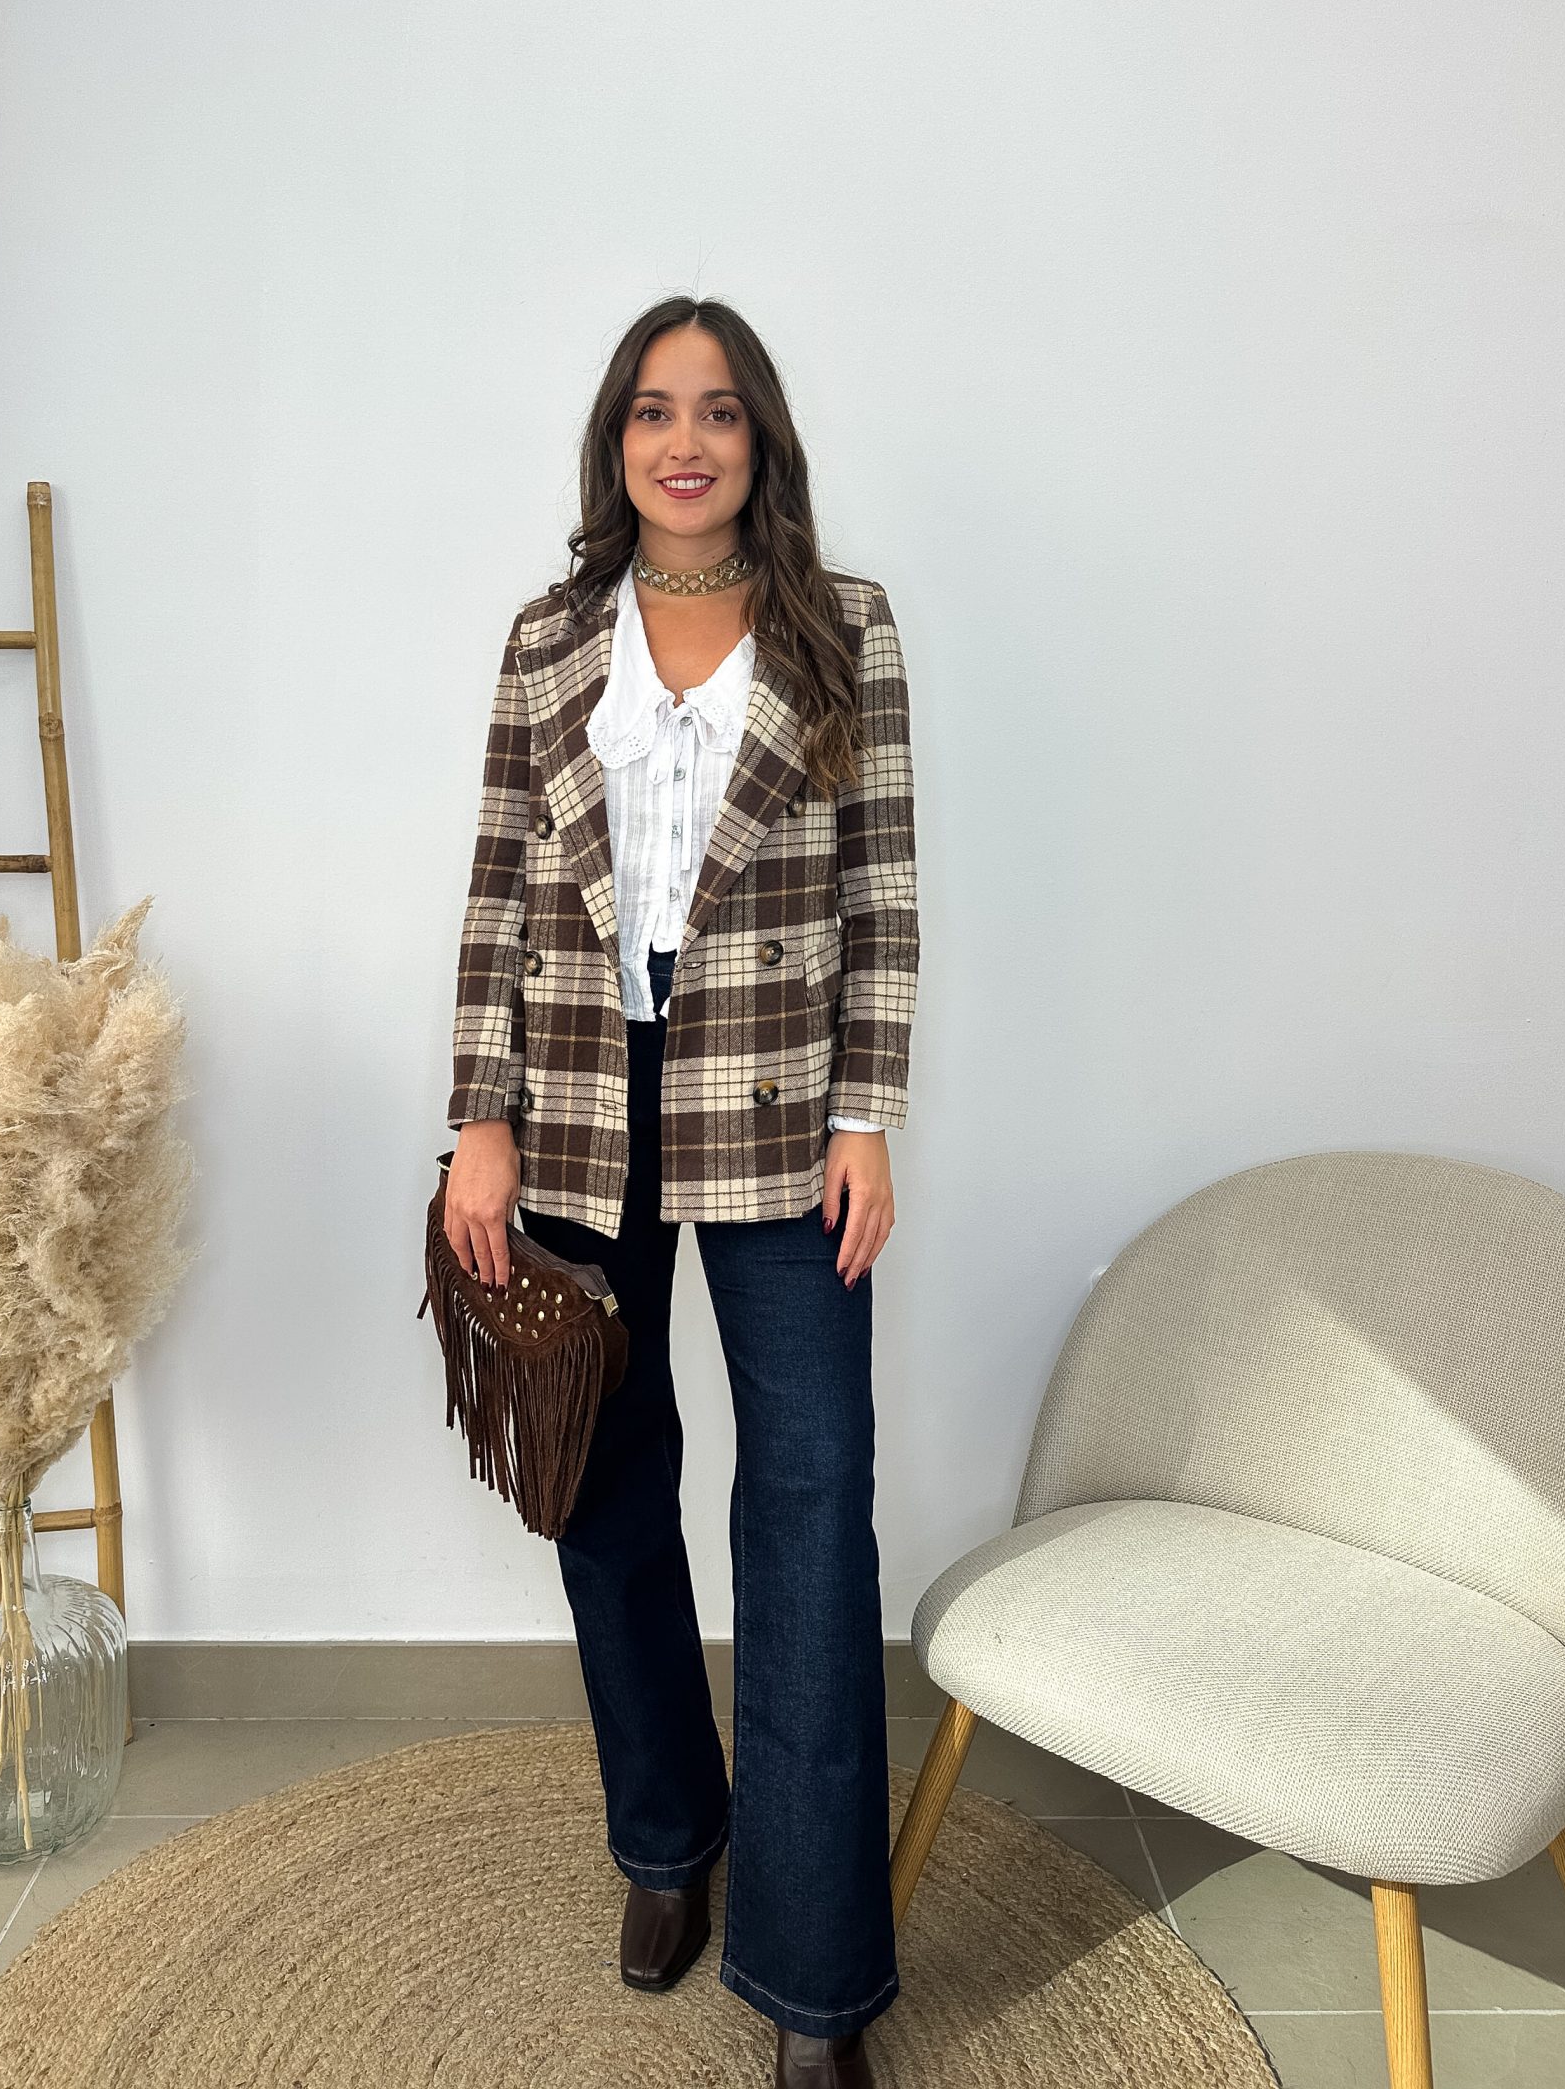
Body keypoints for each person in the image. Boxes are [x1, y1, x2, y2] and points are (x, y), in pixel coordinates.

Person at [443, 294, 918, 2089]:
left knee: (812, 1508)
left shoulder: (844, 625)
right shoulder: (550, 636)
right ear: (617, 441)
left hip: (780, 1104)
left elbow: (882, 889)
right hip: (579, 1094)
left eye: (718, 410)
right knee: (607, 1485)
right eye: (654, 410)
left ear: (760, 438)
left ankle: (814, 1979)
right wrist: (477, 1119)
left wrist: (866, 1113)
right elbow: (500, 884)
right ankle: (667, 1838)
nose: (686, 441)